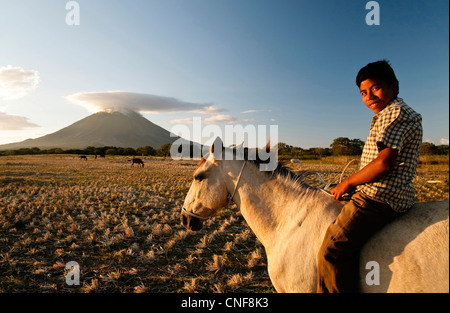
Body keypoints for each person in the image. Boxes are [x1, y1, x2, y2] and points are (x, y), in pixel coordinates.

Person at [316, 60, 423, 293]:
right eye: (363, 92)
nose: (369, 96)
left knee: (333, 250)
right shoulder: (390, 112)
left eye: (375, 88)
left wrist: (347, 182)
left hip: (380, 198)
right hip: (380, 191)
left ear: (394, 86)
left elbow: (384, 163)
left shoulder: (395, 113)